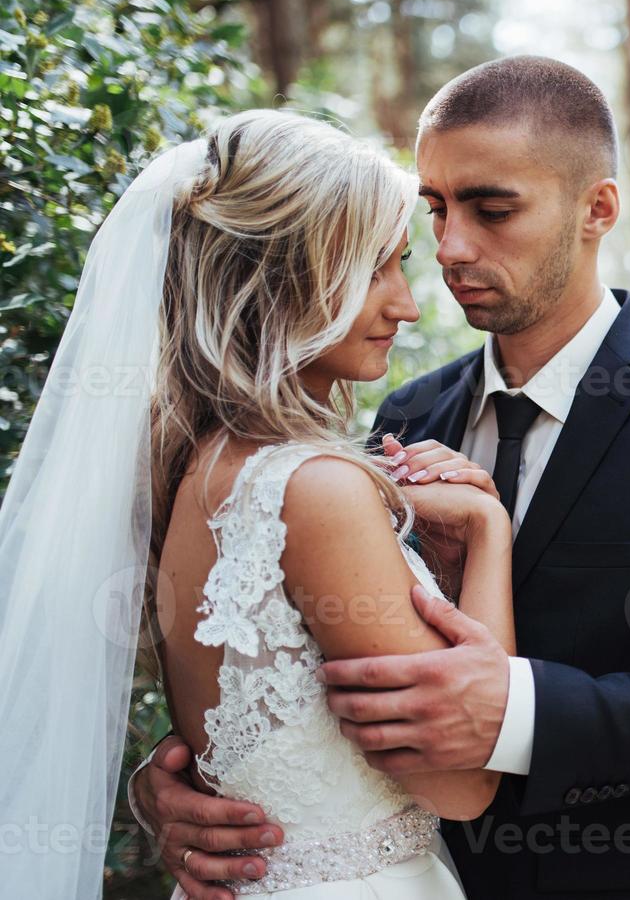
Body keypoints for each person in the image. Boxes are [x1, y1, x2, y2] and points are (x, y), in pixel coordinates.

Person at [132, 56, 630, 899]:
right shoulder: (399, 418)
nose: (451, 248)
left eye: (492, 208)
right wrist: (190, 781)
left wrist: (519, 714)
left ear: (595, 209)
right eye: (436, 209)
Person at [0, 109, 514, 899]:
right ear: (280, 277)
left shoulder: (192, 469)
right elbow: (462, 783)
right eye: (375, 269)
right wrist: (487, 531)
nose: (406, 305)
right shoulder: (316, 487)